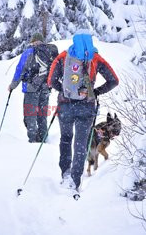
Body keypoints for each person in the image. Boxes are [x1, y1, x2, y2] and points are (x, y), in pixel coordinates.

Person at [47, 29, 119, 191]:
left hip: (65, 105)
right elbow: (114, 80)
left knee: (66, 138)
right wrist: (96, 92)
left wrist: (64, 91)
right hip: (86, 106)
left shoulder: (65, 57)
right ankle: (75, 180)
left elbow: (51, 80)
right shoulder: (96, 58)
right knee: (81, 143)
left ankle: (65, 173)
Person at [8, 33, 58, 143]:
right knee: (42, 115)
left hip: (31, 88)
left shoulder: (29, 52)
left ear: (33, 41)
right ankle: (43, 139)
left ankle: (33, 141)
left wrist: (12, 86)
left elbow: (20, 70)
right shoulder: (50, 52)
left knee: (30, 116)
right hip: (45, 88)